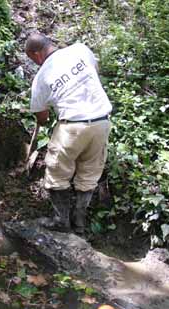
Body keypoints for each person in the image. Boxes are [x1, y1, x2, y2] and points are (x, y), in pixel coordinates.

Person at [25, 33, 112, 236]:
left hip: (72, 127)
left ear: (36, 54)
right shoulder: (80, 49)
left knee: (57, 173)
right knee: (90, 173)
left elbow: (43, 118)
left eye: (31, 59)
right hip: (101, 122)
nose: (35, 63)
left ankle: (61, 222)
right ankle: (79, 224)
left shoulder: (41, 77)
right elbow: (94, 74)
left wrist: (43, 117)